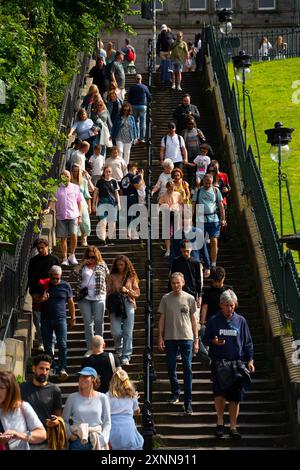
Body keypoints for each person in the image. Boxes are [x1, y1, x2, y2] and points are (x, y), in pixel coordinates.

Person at [203, 290, 255, 439]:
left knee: (235, 397)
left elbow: (248, 343)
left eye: (232, 306)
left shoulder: (241, 321)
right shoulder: (213, 320)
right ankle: (220, 422)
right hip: (219, 362)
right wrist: (213, 342)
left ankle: (233, 426)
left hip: (237, 363)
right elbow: (205, 339)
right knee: (219, 394)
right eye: (226, 305)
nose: (229, 308)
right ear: (221, 305)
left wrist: (250, 360)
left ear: (235, 305)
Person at [158, 272, 199, 414]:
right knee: (170, 367)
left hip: (187, 337)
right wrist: (160, 336)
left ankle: (188, 402)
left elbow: (194, 320)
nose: (176, 285)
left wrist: (196, 339)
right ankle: (175, 392)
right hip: (170, 338)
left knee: (187, 368)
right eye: (173, 283)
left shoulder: (190, 298)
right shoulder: (166, 298)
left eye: (178, 282)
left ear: (183, 283)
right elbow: (162, 318)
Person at [32, 265, 75, 380]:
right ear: (49, 276)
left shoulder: (65, 286)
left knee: (62, 344)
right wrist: (42, 299)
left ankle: (63, 368)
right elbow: (35, 299)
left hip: (61, 319)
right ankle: (55, 367)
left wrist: (73, 317)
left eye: (58, 278)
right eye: (53, 278)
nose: (56, 280)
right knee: (47, 346)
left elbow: (70, 302)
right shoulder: (44, 285)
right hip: (45, 319)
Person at [20, 354, 62, 449]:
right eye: (41, 368)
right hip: (25, 440)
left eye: (47, 369)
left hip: (47, 441)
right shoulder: (22, 388)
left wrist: (56, 421)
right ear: (34, 369)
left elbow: (58, 416)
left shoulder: (55, 390)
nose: (44, 372)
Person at [62, 367, 111, 450]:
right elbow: (64, 420)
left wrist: (103, 439)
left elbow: (107, 422)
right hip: (77, 441)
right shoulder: (72, 397)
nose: (82, 379)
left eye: (85, 376)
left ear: (93, 379)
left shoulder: (103, 398)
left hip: (96, 440)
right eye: (80, 376)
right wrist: (70, 435)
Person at [72, 246, 109, 354]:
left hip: (99, 296)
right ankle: (90, 348)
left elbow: (109, 278)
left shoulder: (102, 265)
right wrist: (82, 264)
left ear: (97, 255)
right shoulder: (82, 266)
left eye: (93, 256)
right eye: (89, 256)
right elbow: (72, 275)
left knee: (99, 321)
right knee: (88, 323)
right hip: (84, 297)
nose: (91, 258)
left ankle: (100, 347)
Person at [106, 255, 140, 365]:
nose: (120, 267)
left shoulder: (132, 276)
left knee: (128, 332)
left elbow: (137, 294)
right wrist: (108, 307)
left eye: (122, 265)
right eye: (118, 265)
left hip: (128, 303)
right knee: (116, 331)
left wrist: (128, 291)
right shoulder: (111, 276)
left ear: (126, 265)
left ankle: (126, 356)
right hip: (115, 303)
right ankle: (119, 347)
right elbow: (108, 292)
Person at [0, 371, 46, 450]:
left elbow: (42, 434)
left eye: (0, 388)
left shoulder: (23, 407)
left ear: (10, 390)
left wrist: (19, 435)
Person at [44, 170, 82, 266]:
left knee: (74, 234)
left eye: (67, 176)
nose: (66, 178)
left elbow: (79, 202)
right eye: (63, 176)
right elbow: (52, 200)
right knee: (63, 238)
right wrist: (48, 208)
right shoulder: (56, 188)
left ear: (70, 177)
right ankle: (65, 257)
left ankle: (72, 255)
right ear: (61, 177)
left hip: (73, 215)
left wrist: (80, 216)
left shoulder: (75, 187)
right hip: (61, 216)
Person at [28, 238, 59, 352]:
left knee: (52, 319)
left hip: (51, 293)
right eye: (38, 248)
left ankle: (51, 342)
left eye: (42, 247)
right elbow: (30, 278)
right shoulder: (33, 261)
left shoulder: (54, 259)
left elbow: (58, 276)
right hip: (37, 293)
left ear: (47, 246)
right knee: (38, 319)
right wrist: (33, 293)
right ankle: (41, 341)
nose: (41, 250)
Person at [192, 173, 226, 267]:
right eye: (206, 183)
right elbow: (193, 206)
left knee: (214, 240)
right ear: (203, 181)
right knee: (200, 241)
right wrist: (189, 219)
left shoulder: (216, 190)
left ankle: (213, 263)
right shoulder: (198, 191)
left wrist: (223, 219)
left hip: (214, 219)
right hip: (201, 219)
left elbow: (221, 205)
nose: (208, 185)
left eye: (209, 183)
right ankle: (201, 261)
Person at [107, 368, 144, 450]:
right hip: (128, 427)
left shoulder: (107, 396)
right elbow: (137, 411)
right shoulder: (131, 395)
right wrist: (136, 400)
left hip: (113, 428)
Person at [93, 165, 120, 245]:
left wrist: (119, 203)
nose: (108, 173)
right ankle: (102, 240)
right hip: (102, 203)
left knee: (112, 222)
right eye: (106, 171)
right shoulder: (99, 181)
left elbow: (116, 193)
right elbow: (96, 193)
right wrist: (94, 204)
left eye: (109, 172)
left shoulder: (114, 181)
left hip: (112, 203)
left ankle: (110, 239)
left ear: (111, 172)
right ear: (104, 172)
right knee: (103, 222)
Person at [200, 266, 232, 331]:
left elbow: (233, 305)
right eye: (215, 281)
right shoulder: (208, 290)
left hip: (226, 320)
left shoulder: (228, 289)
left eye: (219, 281)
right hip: (211, 320)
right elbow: (205, 306)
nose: (217, 284)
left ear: (224, 278)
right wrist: (202, 323)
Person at [70, 164, 92, 247]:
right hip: (72, 203)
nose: (76, 173)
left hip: (82, 203)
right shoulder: (70, 182)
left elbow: (87, 195)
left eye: (77, 171)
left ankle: (84, 238)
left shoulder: (83, 181)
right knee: (75, 222)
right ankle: (77, 239)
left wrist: (89, 206)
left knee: (85, 221)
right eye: (74, 171)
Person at [127, 74, 151, 142]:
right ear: (141, 79)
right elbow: (149, 96)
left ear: (135, 79)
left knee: (135, 122)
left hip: (134, 106)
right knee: (143, 122)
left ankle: (135, 137)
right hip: (143, 106)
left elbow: (129, 97)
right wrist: (148, 101)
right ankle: (142, 138)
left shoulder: (132, 87)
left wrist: (130, 104)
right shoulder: (145, 87)